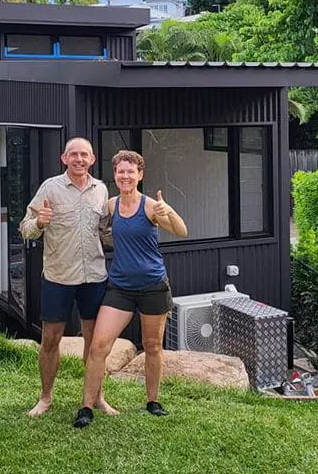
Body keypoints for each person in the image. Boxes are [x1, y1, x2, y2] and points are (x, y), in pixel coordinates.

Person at [74, 150, 188, 428]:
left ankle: (153, 401)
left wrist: (168, 211)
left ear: (140, 175)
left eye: (130, 171)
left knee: (152, 346)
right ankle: (87, 406)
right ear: (115, 175)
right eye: (120, 171)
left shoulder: (151, 207)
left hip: (153, 286)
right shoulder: (111, 206)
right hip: (120, 287)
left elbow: (181, 230)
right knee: (99, 346)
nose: (125, 176)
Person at [19, 137, 116, 417]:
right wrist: (39, 222)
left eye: (84, 155)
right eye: (73, 154)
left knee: (94, 341)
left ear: (93, 159)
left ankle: (97, 397)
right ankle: (46, 397)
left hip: (94, 275)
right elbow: (25, 228)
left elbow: (104, 232)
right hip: (58, 276)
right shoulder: (50, 188)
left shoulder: (101, 190)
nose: (79, 159)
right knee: (50, 338)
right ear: (64, 159)